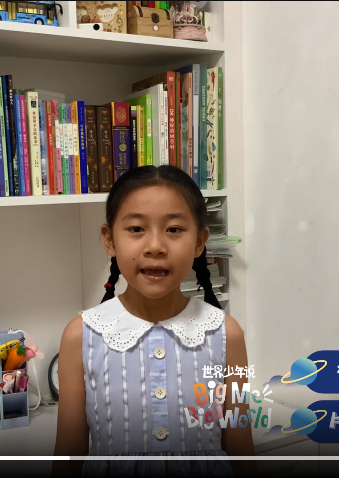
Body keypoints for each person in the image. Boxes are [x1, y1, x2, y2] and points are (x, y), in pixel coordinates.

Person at [53, 165, 256, 477]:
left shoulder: (226, 334)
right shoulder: (81, 336)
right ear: (109, 239)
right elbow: (68, 457)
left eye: (174, 229)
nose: (156, 247)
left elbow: (242, 450)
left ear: (200, 242)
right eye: (136, 229)